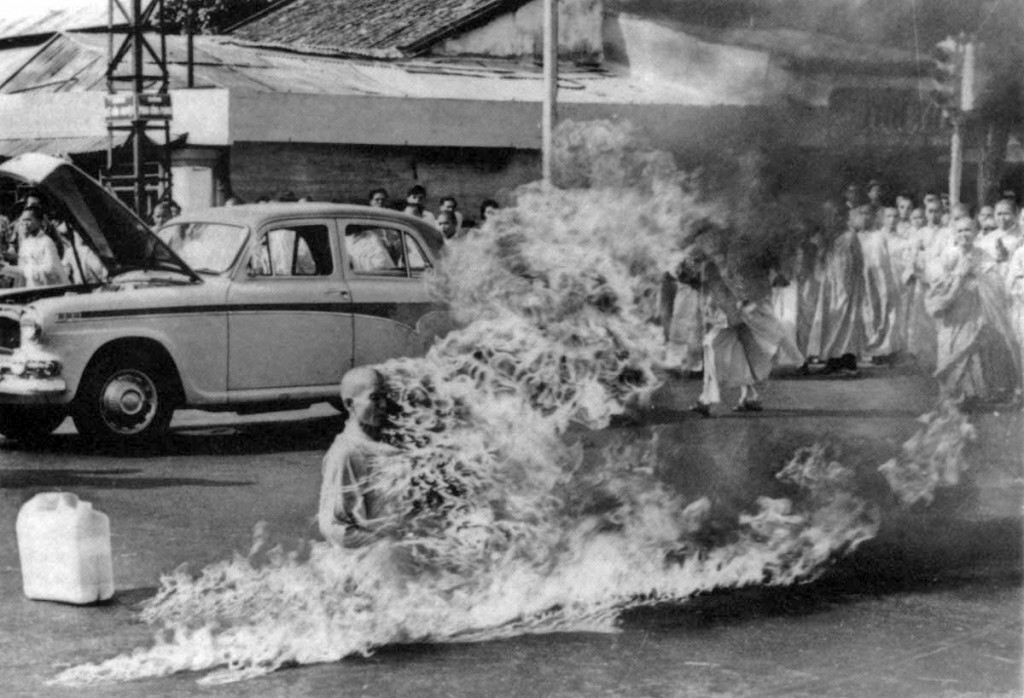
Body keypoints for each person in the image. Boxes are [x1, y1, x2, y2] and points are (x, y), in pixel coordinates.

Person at [689, 233, 797, 416]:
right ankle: (750, 397)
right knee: (741, 354)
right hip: (737, 315)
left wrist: (737, 311)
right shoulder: (725, 259)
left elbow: (730, 292)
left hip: (736, 317)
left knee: (712, 348)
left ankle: (707, 399)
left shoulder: (722, 262)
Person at [926, 217, 1019, 405]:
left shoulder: (983, 255)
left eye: (968, 230)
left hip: (974, 309)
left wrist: (978, 277)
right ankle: (952, 393)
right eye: (959, 231)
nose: (964, 235)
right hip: (953, 311)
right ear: (954, 233)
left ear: (976, 233)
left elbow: (995, 282)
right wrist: (958, 276)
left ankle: (970, 392)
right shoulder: (948, 255)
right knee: (951, 346)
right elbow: (937, 283)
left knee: (971, 349)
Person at [319, 367, 401, 548]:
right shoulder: (346, 453)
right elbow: (333, 527)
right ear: (349, 404)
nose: (383, 405)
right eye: (374, 398)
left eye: (385, 397)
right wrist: (386, 548)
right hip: (373, 559)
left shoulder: (381, 443)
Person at [805, 207, 867, 374]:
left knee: (847, 321)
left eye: (836, 218)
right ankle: (833, 359)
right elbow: (821, 264)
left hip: (848, 287)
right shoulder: (829, 240)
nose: (832, 222)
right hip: (831, 287)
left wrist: (854, 286)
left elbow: (859, 262)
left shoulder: (850, 237)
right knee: (831, 320)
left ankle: (846, 360)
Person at [860, 207, 900, 361]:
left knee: (892, 315)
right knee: (874, 311)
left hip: (894, 282)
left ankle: (887, 350)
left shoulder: (903, 239)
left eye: (895, 216)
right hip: (875, 281)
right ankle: (873, 348)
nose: (892, 220)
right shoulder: (874, 237)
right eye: (888, 216)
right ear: (882, 219)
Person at [17, 206, 68, 288]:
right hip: (32, 286)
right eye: (23, 220)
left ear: (39, 221)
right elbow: (21, 268)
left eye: (29, 220)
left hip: (50, 287)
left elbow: (51, 269)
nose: (25, 223)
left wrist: (28, 270)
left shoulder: (46, 242)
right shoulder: (25, 244)